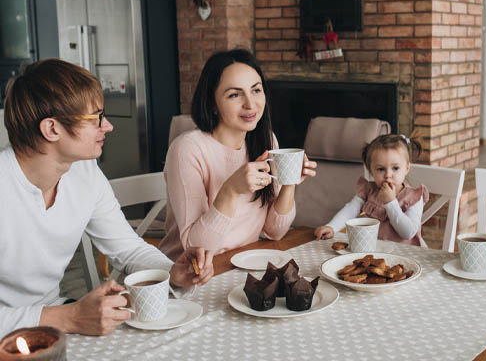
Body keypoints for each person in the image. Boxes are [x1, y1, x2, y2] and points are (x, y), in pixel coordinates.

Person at [0, 59, 214, 337]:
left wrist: (171, 271)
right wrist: (70, 316)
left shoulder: (84, 173)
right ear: (52, 129)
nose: (109, 126)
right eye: (96, 118)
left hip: (53, 321)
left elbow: (128, 248)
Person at [159, 49, 317, 259]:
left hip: (243, 262)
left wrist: (289, 181)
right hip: (189, 275)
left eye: (256, 90)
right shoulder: (188, 149)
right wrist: (231, 190)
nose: (250, 104)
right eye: (234, 94)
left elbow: (274, 232)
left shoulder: (265, 140)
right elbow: (195, 249)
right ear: (212, 104)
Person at [314, 133, 429, 245]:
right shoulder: (369, 190)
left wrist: (390, 202)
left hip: (405, 256)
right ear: (371, 171)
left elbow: (408, 233)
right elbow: (350, 210)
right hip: (373, 251)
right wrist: (332, 227)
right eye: (380, 169)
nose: (388, 174)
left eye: (395, 168)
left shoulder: (414, 197)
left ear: (407, 168)